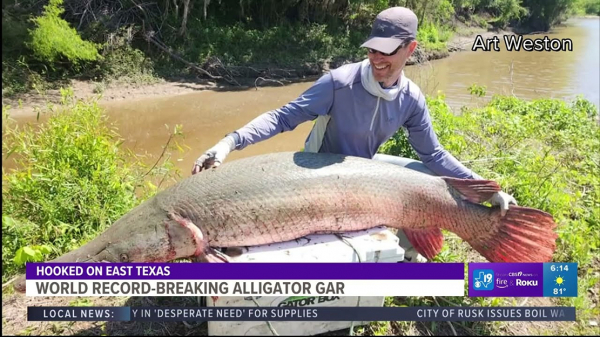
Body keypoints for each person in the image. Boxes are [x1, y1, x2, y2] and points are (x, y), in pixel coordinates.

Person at [191, 7, 517, 262]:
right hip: (315, 171)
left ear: (411, 48)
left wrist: (487, 190)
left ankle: (405, 254)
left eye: (387, 51)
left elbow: (433, 154)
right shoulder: (339, 83)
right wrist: (228, 143)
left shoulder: (411, 98)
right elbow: (282, 118)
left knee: (428, 178)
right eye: (373, 49)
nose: (377, 58)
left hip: (363, 169)